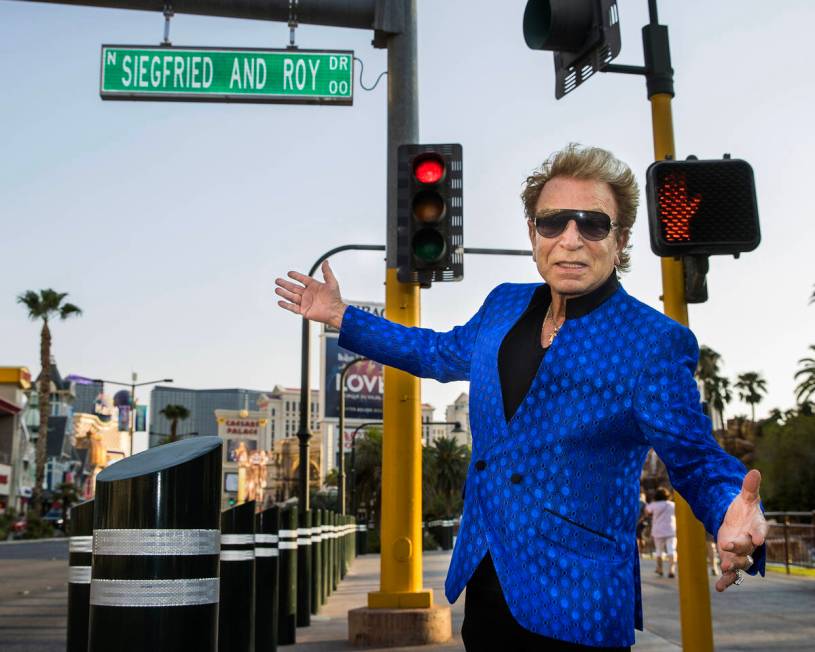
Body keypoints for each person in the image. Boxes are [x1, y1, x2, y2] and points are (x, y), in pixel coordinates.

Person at [275, 144, 768, 650]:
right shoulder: (503, 304)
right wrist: (342, 317)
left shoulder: (652, 342)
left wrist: (731, 507)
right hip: (487, 584)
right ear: (533, 234)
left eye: (593, 224)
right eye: (553, 223)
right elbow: (439, 352)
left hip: (579, 603)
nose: (570, 240)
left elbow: (696, 461)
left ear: (619, 241)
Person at [646, 487, 677, 578]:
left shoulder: (653, 505)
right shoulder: (672, 505)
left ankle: (660, 569)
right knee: (671, 550)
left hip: (658, 530)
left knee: (659, 551)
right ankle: (672, 569)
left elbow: (647, 512)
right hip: (671, 530)